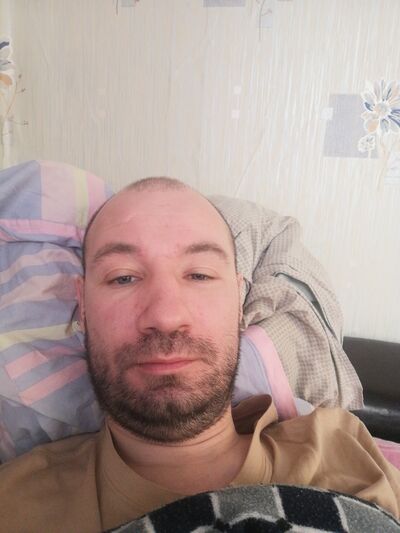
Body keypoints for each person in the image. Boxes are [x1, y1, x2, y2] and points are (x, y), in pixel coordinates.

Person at [0, 177, 399, 532]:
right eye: (123, 277)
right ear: (83, 307)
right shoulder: (14, 504)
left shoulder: (343, 447)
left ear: (239, 301)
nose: (165, 316)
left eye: (199, 275)